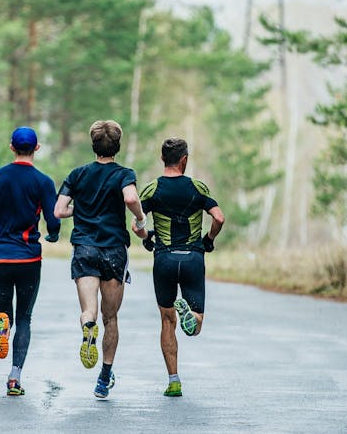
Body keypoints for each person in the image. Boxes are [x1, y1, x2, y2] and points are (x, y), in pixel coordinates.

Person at [54, 120, 147, 399]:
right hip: (114, 250)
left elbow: (59, 210)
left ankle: (87, 328)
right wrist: (140, 218)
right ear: (117, 146)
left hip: (84, 248)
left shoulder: (78, 174)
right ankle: (104, 378)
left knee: (89, 311)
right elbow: (130, 198)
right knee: (111, 317)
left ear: (93, 145)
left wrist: (79, 210)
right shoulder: (124, 173)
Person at [0, 126, 61, 397]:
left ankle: (0, 325)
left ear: (11, 147)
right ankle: (14, 377)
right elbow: (53, 220)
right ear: (37, 148)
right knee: (25, 318)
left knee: (4, 313)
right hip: (29, 258)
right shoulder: (43, 181)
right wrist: (53, 234)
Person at [132, 137, 225, 398]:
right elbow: (219, 217)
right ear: (184, 160)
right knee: (195, 325)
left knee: (166, 319)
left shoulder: (151, 189)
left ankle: (173, 380)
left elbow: (136, 226)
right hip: (193, 258)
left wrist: (147, 237)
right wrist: (209, 239)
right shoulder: (198, 187)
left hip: (164, 259)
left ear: (163, 159)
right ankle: (190, 314)